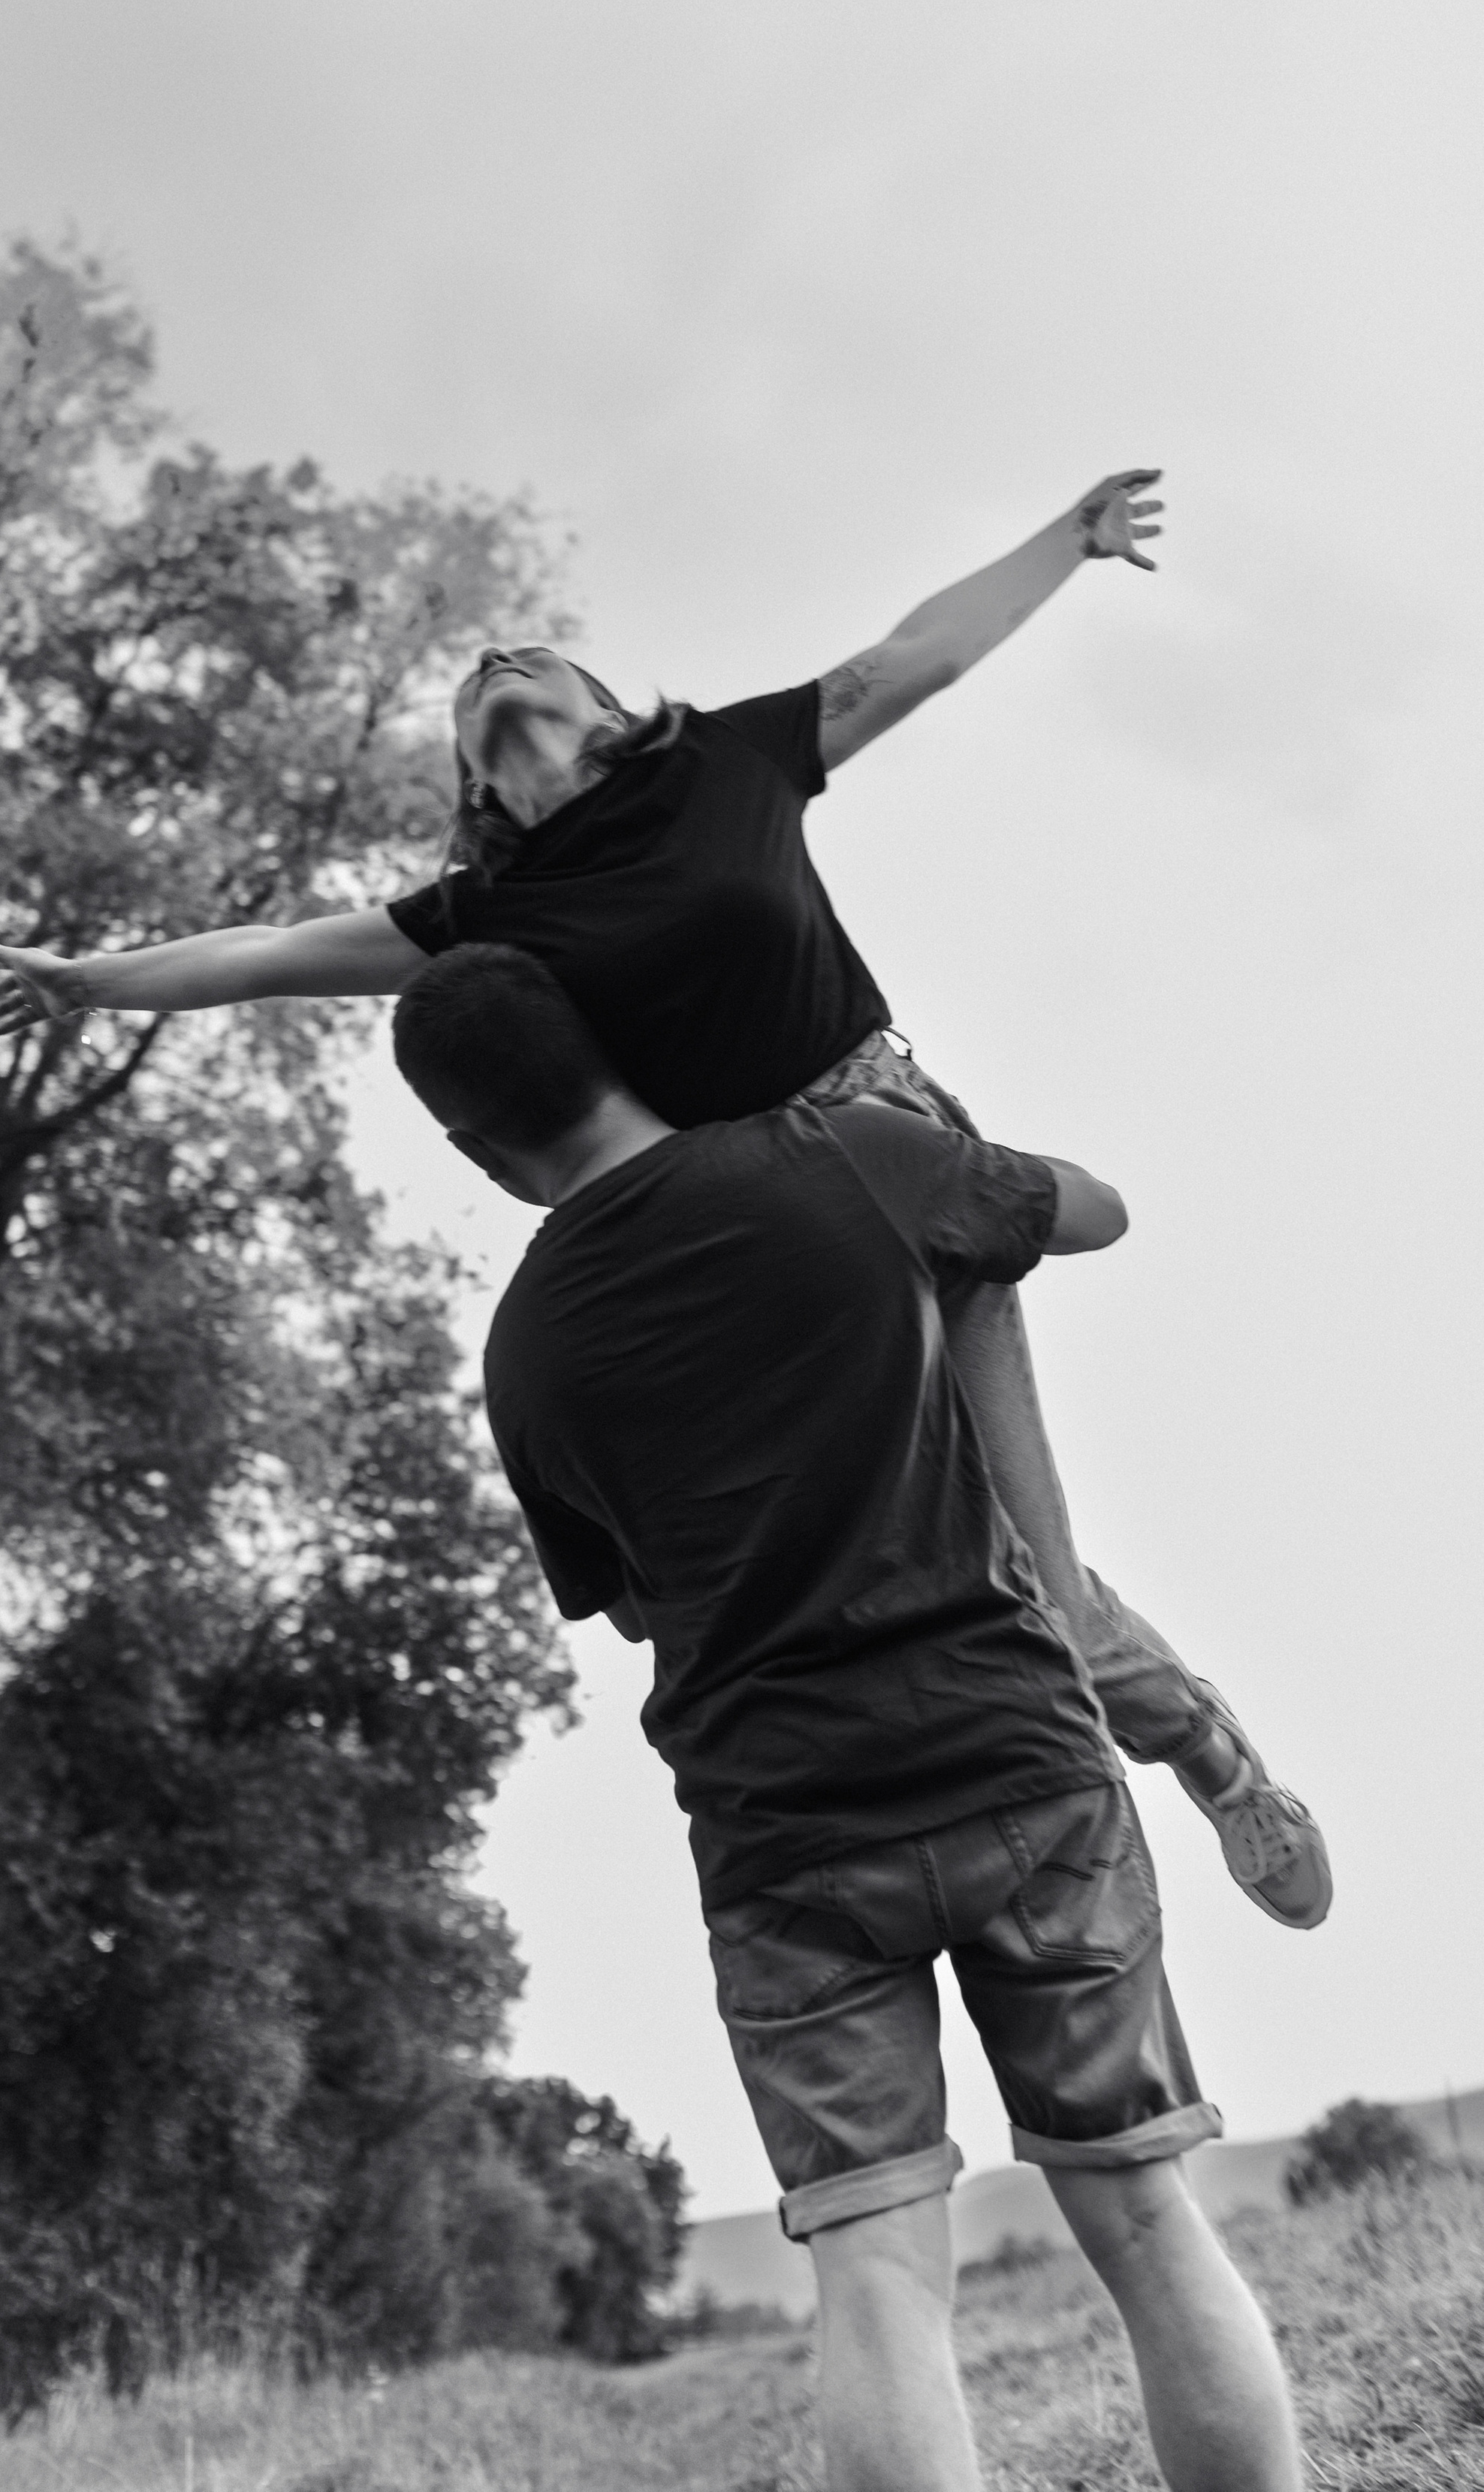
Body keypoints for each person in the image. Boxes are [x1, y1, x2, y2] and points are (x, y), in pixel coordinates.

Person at [0, 469, 1327, 1926]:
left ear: (609, 711)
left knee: (1032, 1576)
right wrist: (89, 983)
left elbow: (915, 656)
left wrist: (1067, 540)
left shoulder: (724, 767)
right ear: (474, 787)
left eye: (531, 653)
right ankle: (1043, 1817)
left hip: (900, 1157)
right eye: (474, 685)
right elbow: (269, 954)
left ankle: (1204, 1757)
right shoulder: (482, 915)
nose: (496, 659)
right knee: (940, 1573)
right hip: (763, 1240)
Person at [391, 940, 1304, 2492]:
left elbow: (634, 1605)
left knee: (877, 2278)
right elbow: (1089, 1210)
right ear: (617, 1042)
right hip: (1016, 1763)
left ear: (475, 1153)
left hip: (785, 1843)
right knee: (1147, 2219)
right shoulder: (849, 1156)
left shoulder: (524, 1352)